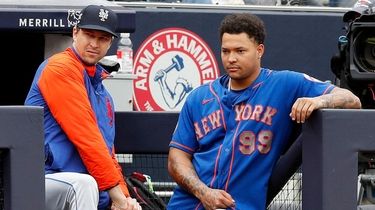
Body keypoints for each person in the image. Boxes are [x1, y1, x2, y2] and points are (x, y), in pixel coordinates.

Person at [167, 13, 361, 210]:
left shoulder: (284, 84)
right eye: (226, 51)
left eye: (240, 51)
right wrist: (203, 192)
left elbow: (351, 100)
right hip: (185, 204)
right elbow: (177, 158)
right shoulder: (198, 98)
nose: (231, 58)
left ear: (259, 50)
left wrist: (319, 100)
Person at [25, 5, 141, 210]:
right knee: (83, 184)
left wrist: (124, 198)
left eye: (103, 38)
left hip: (86, 191)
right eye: (89, 35)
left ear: (110, 42)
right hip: (39, 181)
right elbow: (87, 139)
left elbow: (107, 153)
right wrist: (118, 197)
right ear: (75, 32)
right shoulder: (60, 68)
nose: (94, 43)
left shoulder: (103, 95)